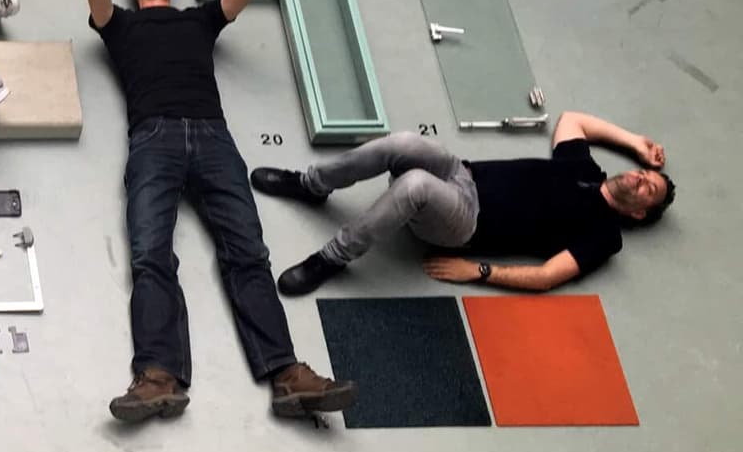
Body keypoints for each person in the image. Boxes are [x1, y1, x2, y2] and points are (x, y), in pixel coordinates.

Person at [48, 0, 358, 423]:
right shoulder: (118, 25)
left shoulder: (201, 19)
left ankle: (288, 376)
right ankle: (157, 378)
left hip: (215, 139)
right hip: (154, 140)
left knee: (248, 253)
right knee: (151, 257)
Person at [255, 112, 675, 295]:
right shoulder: (582, 165)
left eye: (647, 189)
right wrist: (635, 142)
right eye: (643, 174)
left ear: (638, 212)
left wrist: (479, 271)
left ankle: (332, 258)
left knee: (415, 184)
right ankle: (313, 185)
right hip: (462, 173)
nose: (639, 178)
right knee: (403, 142)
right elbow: (573, 120)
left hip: (465, 221)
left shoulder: (604, 235)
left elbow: (548, 276)